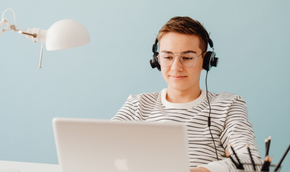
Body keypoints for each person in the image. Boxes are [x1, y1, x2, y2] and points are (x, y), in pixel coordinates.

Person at [112, 16, 263, 172]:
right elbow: (104, 149)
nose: (176, 67)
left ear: (206, 61)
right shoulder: (137, 104)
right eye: (168, 57)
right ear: (157, 60)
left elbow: (251, 162)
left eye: (187, 57)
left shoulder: (229, 104)